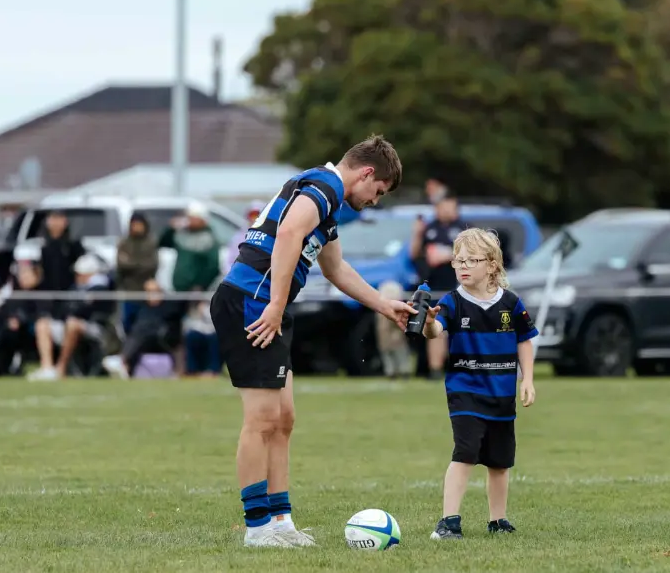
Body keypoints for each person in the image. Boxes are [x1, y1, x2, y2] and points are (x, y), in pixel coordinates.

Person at [209, 134, 415, 548]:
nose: (375, 200)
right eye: (378, 191)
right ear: (367, 173)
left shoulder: (328, 200)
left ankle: (281, 521)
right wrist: (274, 304)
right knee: (262, 420)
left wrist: (383, 305)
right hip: (253, 301)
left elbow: (336, 269)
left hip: (268, 304)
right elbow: (287, 235)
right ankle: (256, 528)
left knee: (284, 419)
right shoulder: (325, 187)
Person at [420, 228, 538, 541]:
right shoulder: (452, 302)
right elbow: (435, 331)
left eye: (471, 260)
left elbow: (525, 340)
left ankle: (498, 521)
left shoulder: (511, 304)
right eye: (458, 260)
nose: (463, 266)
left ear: (492, 265)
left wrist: (527, 379)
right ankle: (448, 522)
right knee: (466, 453)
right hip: (466, 392)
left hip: (501, 395)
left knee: (500, 462)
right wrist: (429, 322)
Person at [410, 192, 469, 377]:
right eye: (441, 206)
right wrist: (417, 233)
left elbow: (474, 254)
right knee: (435, 327)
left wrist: (447, 254)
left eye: (448, 205)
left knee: (461, 330)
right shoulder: (429, 228)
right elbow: (414, 254)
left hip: (458, 289)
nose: (445, 210)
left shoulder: (464, 229)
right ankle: (435, 370)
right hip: (433, 289)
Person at [116, 212, 159, 334]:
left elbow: (152, 265)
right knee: (127, 322)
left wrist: (132, 263)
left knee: (145, 323)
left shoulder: (150, 242)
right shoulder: (124, 242)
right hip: (128, 289)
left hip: (146, 290)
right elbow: (121, 264)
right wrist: (140, 264)